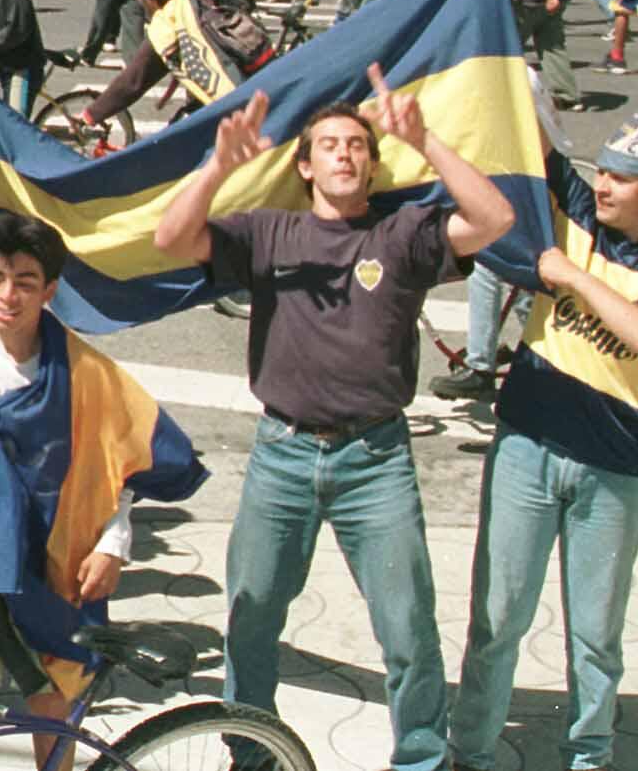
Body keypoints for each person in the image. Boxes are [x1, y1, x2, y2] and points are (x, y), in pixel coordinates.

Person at [154, 69, 517, 771]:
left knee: (407, 628)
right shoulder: (269, 232)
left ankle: (419, 758)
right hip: (281, 456)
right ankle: (251, 754)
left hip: (374, 462)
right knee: (252, 620)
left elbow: (495, 220)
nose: (345, 155)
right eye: (329, 145)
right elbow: (173, 238)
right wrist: (219, 167)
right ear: (305, 164)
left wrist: (426, 140)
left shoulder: (403, 234)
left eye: (358, 144)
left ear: (375, 164)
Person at [0, 215, 208, 771]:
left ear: (50, 290)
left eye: (24, 281)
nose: (6, 295)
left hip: (49, 545)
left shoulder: (84, 372)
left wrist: (113, 542)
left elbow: (120, 459)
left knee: (56, 672)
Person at [448, 112, 638, 771]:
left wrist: (570, 277)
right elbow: (522, 121)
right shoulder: (578, 209)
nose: (606, 188)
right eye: (603, 174)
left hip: (613, 470)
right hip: (525, 448)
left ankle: (590, 755)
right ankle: (470, 753)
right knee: (497, 620)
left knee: (595, 636)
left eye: (622, 178)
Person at [75, 0, 269, 132]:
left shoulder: (168, 25)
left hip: (225, 107)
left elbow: (133, 81)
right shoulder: (197, 0)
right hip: (249, 90)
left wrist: (91, 115)